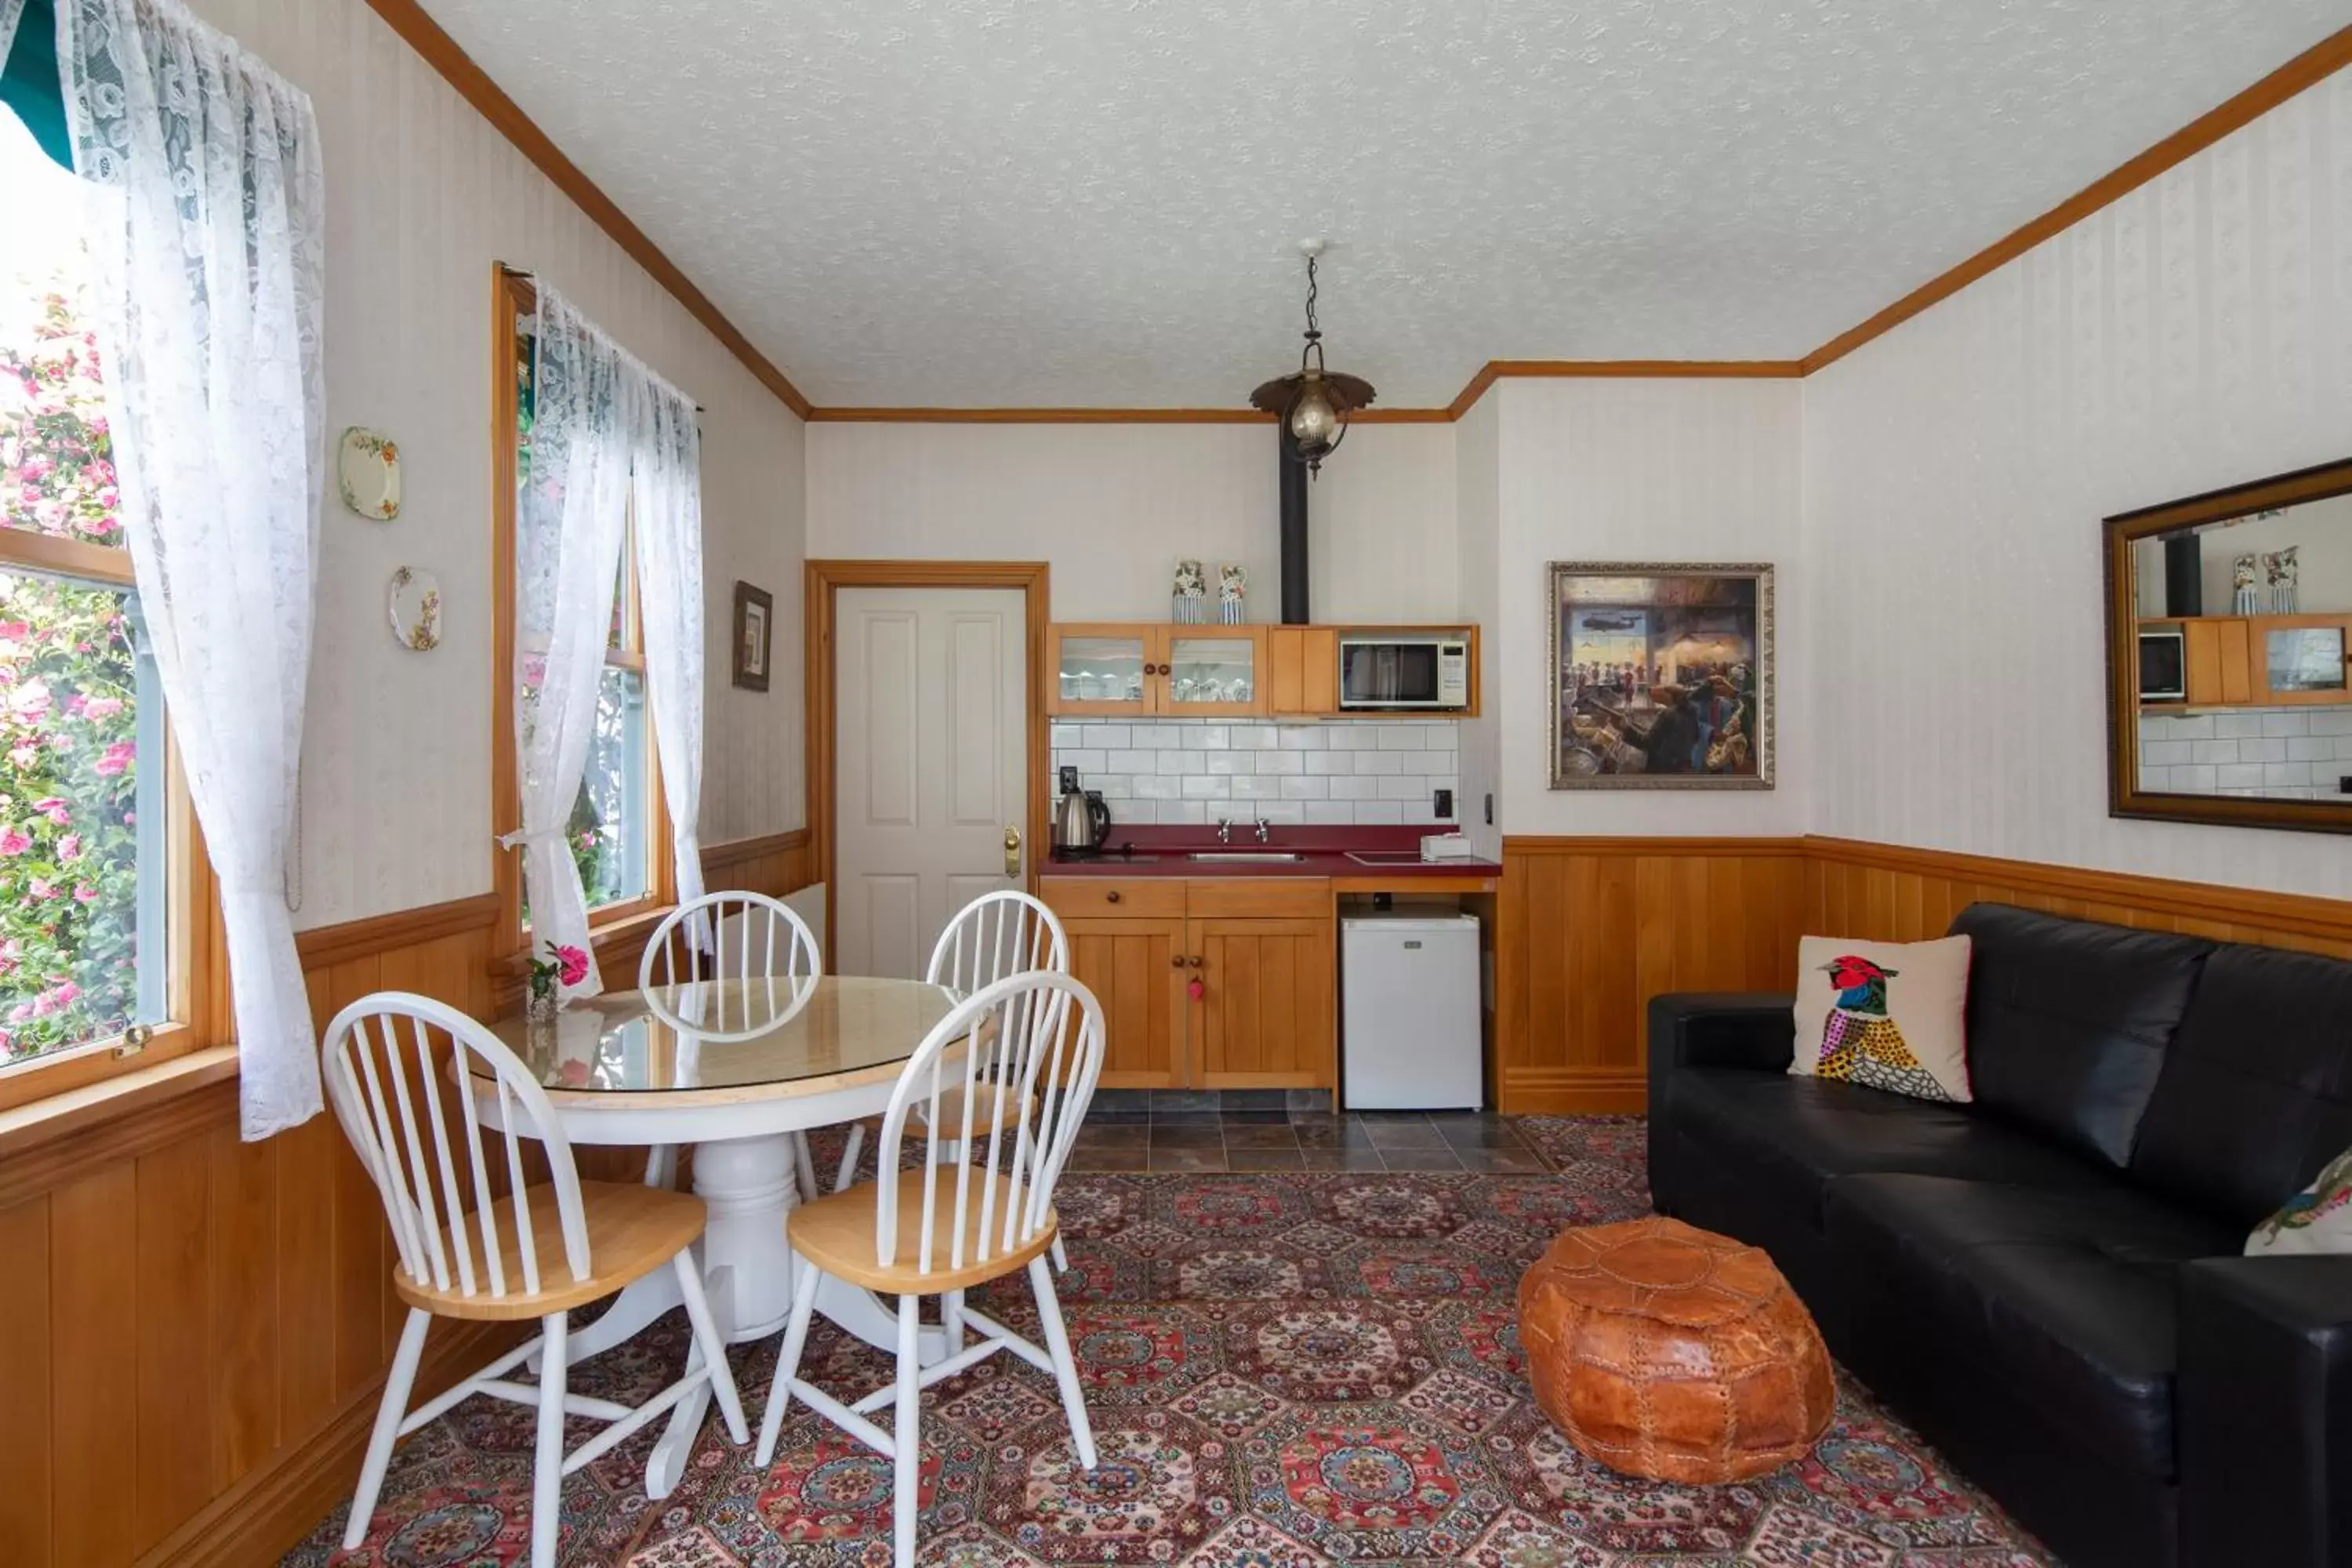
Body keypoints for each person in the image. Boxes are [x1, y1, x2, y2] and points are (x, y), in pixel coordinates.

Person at [1612, 685, 1699, 775]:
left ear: (1670, 696)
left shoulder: (1667, 714)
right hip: (1680, 766)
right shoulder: (1691, 713)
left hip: (1662, 769)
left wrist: (1625, 728)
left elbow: (1647, 743)